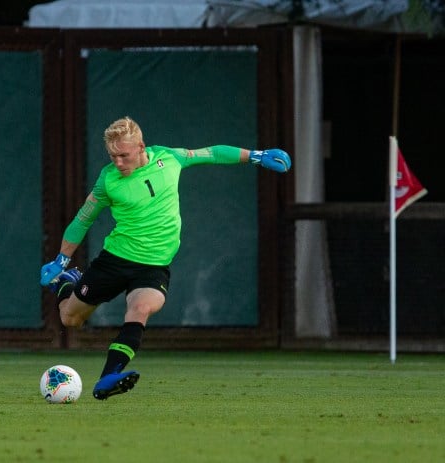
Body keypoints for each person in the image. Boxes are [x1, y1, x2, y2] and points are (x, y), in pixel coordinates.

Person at [40, 116, 291, 400]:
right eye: (113, 156)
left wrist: (256, 156)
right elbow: (82, 220)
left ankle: (108, 377)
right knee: (71, 319)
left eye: (124, 155)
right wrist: (61, 260)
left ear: (141, 147)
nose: (119, 163)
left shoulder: (169, 158)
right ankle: (65, 284)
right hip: (114, 261)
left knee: (141, 308)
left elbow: (214, 153)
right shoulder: (108, 180)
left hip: (154, 267)